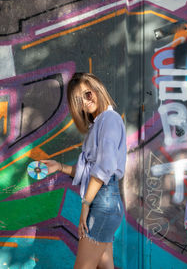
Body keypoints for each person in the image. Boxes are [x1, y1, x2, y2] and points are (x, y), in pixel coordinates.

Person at [41, 72, 127, 269]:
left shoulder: (109, 120)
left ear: (97, 89)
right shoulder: (97, 125)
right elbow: (89, 172)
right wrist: (59, 166)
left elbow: (105, 167)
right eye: (79, 101)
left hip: (102, 202)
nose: (86, 102)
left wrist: (85, 205)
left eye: (88, 94)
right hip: (104, 201)